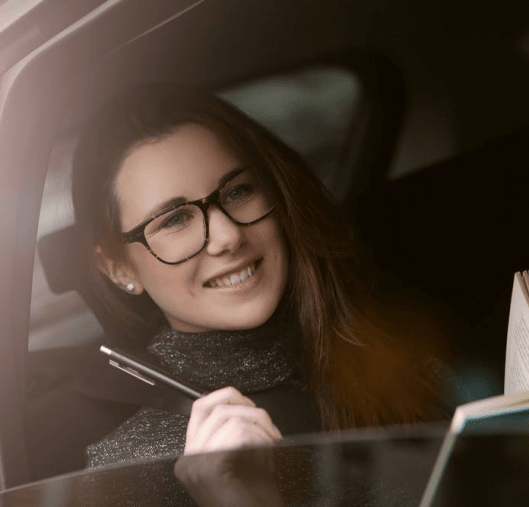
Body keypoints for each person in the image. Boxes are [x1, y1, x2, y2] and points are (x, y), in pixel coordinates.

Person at [70, 83, 449, 470]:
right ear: (119, 267)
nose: (228, 236)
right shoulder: (128, 469)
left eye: (237, 192)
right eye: (175, 219)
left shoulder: (388, 345)